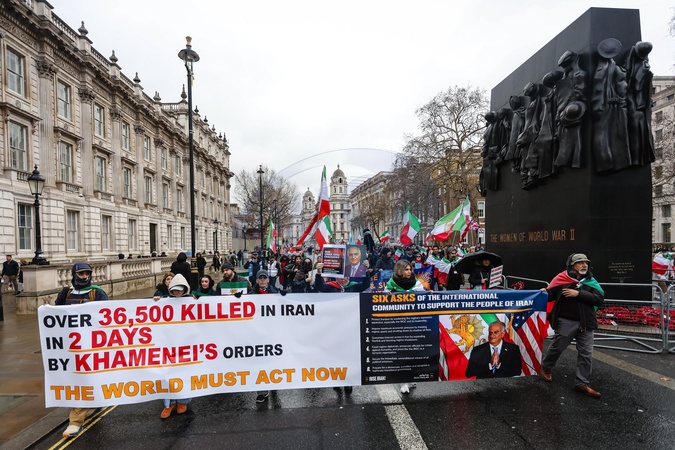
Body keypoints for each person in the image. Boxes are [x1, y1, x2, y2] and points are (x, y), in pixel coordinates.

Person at [54, 262, 109, 437]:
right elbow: (56, 315)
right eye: (81, 274)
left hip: (91, 345)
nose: (84, 277)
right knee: (77, 378)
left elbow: (108, 316)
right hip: (70, 345)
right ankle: (94, 403)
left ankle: (75, 421)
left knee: (84, 378)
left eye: (87, 274)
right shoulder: (66, 293)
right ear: (74, 274)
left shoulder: (97, 293)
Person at [540, 253, 605, 397]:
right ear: (572, 265)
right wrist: (545, 293)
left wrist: (579, 294)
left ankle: (582, 383)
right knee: (558, 347)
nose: (584, 265)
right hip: (566, 321)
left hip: (586, 323)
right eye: (580, 262)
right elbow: (552, 294)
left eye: (586, 263)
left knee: (586, 354)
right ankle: (546, 367)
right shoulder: (562, 279)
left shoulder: (591, 281)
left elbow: (599, 299)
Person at [385, 259, 428, 393]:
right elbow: (382, 299)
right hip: (398, 322)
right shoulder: (391, 283)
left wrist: (429, 293)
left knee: (413, 352)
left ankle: (410, 377)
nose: (409, 272)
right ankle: (402, 382)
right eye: (406, 269)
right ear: (400, 270)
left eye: (410, 269)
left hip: (413, 321)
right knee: (401, 352)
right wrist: (387, 295)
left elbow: (423, 296)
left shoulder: (416, 282)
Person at [156, 273, 194, 417]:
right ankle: (169, 404)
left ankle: (183, 401)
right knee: (168, 374)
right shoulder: (164, 301)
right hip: (169, 345)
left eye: (180, 289)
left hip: (186, 344)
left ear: (185, 289)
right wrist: (155, 301)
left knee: (184, 374)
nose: (177, 292)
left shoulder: (192, 301)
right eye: (175, 289)